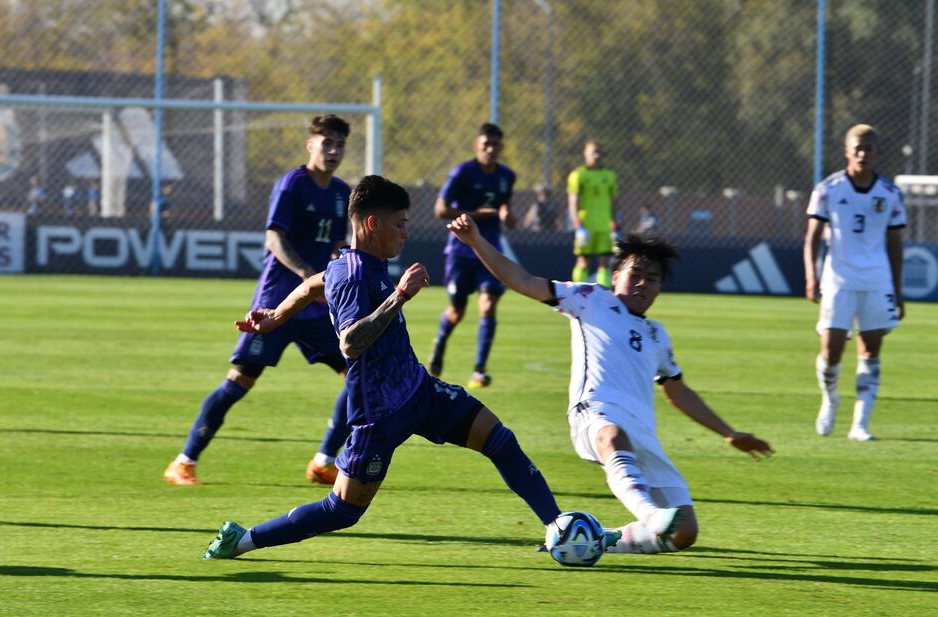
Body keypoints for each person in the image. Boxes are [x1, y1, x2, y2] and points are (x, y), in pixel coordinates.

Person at [202, 175, 564, 559]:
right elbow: (350, 343)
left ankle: (559, 528)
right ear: (373, 224)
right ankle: (242, 539)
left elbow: (312, 286)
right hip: (379, 415)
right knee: (342, 510)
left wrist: (276, 315)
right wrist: (400, 296)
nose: (406, 233)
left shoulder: (358, 264)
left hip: (419, 392)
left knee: (499, 440)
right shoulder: (356, 275)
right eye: (400, 224)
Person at [447, 215, 773, 554]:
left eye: (652, 279)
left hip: (642, 433)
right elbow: (523, 280)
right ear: (616, 275)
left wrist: (728, 432)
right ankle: (649, 514)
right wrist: (477, 242)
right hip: (595, 413)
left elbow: (677, 391)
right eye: (635, 275)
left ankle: (598, 541)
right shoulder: (591, 298)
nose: (643, 284)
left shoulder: (656, 334)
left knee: (685, 533)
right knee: (613, 438)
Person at [164, 115, 354, 486]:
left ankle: (323, 461)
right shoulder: (292, 185)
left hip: (315, 307)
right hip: (275, 306)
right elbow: (274, 238)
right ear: (310, 144)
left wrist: (337, 265)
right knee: (240, 381)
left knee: (359, 374)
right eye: (326, 142)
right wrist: (304, 274)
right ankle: (183, 462)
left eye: (340, 145)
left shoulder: (340, 193)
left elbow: (332, 244)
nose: (333, 151)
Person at [803, 124, 906, 442]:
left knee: (870, 351)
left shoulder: (890, 194)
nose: (863, 154)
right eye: (857, 148)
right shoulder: (828, 189)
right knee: (832, 352)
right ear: (847, 151)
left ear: (877, 153)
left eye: (868, 149)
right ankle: (830, 399)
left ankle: (860, 423)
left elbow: (895, 243)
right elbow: (813, 237)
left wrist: (898, 290)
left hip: (877, 281)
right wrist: (811, 274)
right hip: (838, 280)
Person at [429, 123, 517, 388]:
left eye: (495, 145)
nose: (490, 149)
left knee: (488, 304)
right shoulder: (463, 173)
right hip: (460, 251)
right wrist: (480, 214)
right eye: (485, 144)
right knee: (457, 309)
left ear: (501, 147)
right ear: (476, 145)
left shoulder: (506, 176)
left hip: (489, 251)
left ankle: (479, 370)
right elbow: (440, 210)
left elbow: (504, 209)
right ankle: (440, 343)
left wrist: (507, 216)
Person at [567, 140, 620, 287]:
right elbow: (573, 202)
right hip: (586, 225)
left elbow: (614, 202)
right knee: (583, 261)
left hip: (604, 226)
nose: (596, 156)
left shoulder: (609, 175)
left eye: (598, 152)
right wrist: (578, 226)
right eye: (593, 152)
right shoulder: (578, 175)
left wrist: (615, 225)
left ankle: (604, 295)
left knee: (604, 263)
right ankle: (578, 293)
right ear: (586, 154)